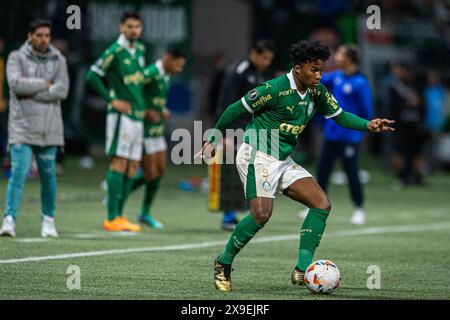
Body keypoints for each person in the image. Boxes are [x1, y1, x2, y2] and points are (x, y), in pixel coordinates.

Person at [195, 40, 394, 292]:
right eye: (314, 70)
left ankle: (302, 269)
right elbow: (236, 108)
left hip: (283, 159)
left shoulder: (316, 92)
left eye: (322, 69)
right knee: (261, 214)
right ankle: (223, 263)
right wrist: (213, 136)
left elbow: (340, 115)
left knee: (322, 204)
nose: (319, 75)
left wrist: (368, 125)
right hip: (256, 154)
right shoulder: (274, 88)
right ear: (298, 69)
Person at [0, 19, 69, 237]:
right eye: (39, 35)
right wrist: (45, 84)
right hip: (22, 127)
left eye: (47, 35)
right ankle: (9, 220)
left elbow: (62, 91)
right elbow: (16, 85)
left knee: (48, 176)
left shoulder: (59, 59)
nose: (43, 39)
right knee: (18, 174)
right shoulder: (16, 57)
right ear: (30, 36)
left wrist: (32, 90)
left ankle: (48, 221)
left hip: (49, 130)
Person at [297, 44, 372, 225]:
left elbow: (366, 111)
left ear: (350, 59)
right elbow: (317, 81)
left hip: (350, 138)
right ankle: (315, 205)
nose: (336, 56)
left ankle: (359, 209)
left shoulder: (360, 83)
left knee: (351, 173)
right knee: (322, 171)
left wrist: (362, 129)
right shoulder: (337, 77)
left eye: (340, 53)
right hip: (331, 135)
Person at [86, 11, 146, 232]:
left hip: (137, 115)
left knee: (132, 166)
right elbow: (92, 74)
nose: (134, 30)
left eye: (137, 26)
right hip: (121, 116)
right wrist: (112, 99)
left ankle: (120, 216)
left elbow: (136, 82)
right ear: (121, 27)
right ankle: (111, 217)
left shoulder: (139, 49)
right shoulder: (115, 51)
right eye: (130, 26)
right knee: (119, 162)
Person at [120, 48, 186, 229]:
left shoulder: (166, 75)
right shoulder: (150, 72)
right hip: (144, 130)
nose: (179, 70)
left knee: (160, 172)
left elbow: (154, 97)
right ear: (167, 58)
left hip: (158, 130)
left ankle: (144, 213)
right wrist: (145, 111)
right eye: (177, 65)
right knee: (150, 174)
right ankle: (119, 195)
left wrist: (161, 109)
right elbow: (132, 91)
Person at [212, 39, 274, 231]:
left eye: (269, 59)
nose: (266, 62)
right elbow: (225, 102)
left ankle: (245, 211)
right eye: (264, 58)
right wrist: (224, 133)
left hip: (249, 129)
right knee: (230, 172)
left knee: (248, 170)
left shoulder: (255, 72)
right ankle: (228, 216)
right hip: (235, 129)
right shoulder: (238, 71)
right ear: (253, 53)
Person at [388, 62, 425, 187]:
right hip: (400, 124)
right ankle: (400, 176)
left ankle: (416, 176)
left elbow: (423, 104)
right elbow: (392, 107)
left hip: (415, 123)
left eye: (399, 70)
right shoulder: (394, 87)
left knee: (416, 151)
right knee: (399, 150)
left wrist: (417, 103)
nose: (396, 73)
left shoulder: (416, 85)